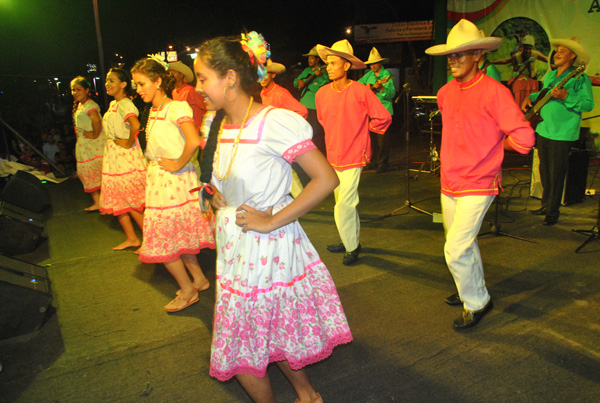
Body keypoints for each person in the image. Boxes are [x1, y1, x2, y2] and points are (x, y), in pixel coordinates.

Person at [194, 31, 352, 403]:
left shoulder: (273, 122)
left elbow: (326, 178)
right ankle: (308, 396)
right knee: (270, 331)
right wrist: (218, 199)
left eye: (203, 78)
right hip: (236, 246)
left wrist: (271, 219)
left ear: (230, 77)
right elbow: (227, 179)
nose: (197, 86)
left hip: (268, 245)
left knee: (241, 349)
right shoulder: (214, 124)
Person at [426, 19, 535, 329]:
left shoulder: (495, 92)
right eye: (450, 55)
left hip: (480, 181)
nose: (453, 61)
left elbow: (525, 138)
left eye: (460, 54)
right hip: (450, 181)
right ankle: (469, 288)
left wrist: (499, 144)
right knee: (464, 243)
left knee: (456, 247)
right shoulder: (445, 92)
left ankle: (478, 302)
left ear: (478, 56)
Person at [131, 56, 215, 312]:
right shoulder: (154, 111)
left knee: (162, 241)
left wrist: (178, 164)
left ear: (158, 81)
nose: (139, 89)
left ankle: (188, 291)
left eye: (142, 83)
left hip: (172, 181)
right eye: (136, 84)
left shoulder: (176, 108)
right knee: (178, 236)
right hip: (163, 180)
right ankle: (198, 279)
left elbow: (194, 140)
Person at [315, 39, 392, 265]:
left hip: (354, 156)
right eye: (327, 63)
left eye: (333, 63)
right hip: (333, 155)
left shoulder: (360, 91)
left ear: (346, 65)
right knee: (343, 202)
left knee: (344, 204)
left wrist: (363, 134)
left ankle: (351, 247)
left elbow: (383, 117)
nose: (328, 67)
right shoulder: (321, 93)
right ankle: (350, 240)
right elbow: (323, 120)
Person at [523, 37, 594, 226]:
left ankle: (553, 211)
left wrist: (566, 96)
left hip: (562, 132)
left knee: (556, 172)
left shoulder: (580, 77)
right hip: (544, 128)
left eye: (563, 50)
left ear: (572, 56)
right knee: (544, 170)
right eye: (557, 50)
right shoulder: (550, 75)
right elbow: (543, 94)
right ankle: (546, 204)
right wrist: (529, 98)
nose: (558, 53)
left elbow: (588, 104)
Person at [99, 68, 147, 251]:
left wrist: (127, 143)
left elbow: (136, 126)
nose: (107, 84)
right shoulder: (114, 104)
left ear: (124, 84)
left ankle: (149, 240)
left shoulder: (126, 104)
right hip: (114, 157)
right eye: (107, 81)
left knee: (130, 199)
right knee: (120, 200)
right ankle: (132, 238)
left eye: (112, 80)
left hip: (125, 158)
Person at [260, 58, 308, 198]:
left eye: (266, 75)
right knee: (276, 168)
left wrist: (287, 128)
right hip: (270, 137)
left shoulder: (280, 93)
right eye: (260, 75)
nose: (262, 78)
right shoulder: (263, 92)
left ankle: (301, 199)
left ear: (273, 75)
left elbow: (302, 111)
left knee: (285, 169)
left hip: (279, 138)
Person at [358, 47, 395, 173]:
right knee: (371, 139)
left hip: (384, 111)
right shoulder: (368, 75)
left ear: (380, 63)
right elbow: (357, 86)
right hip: (370, 111)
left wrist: (381, 88)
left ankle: (382, 164)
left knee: (382, 140)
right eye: (371, 64)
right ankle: (373, 161)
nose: (373, 66)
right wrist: (366, 88)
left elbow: (391, 94)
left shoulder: (387, 76)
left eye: (375, 63)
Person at [71, 76, 106, 211]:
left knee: (97, 171)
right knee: (88, 173)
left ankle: (105, 202)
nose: (75, 92)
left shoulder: (90, 105)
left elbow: (96, 120)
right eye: (73, 90)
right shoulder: (81, 105)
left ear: (87, 90)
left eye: (78, 89)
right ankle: (98, 202)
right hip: (84, 144)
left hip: (92, 144)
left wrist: (95, 134)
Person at [492, 34, 548, 107]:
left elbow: (547, 59)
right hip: (522, 80)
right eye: (526, 48)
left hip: (533, 81)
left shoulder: (535, 54)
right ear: (522, 47)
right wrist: (493, 62)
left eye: (529, 49)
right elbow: (506, 61)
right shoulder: (517, 56)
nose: (528, 51)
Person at [293, 46, 329, 156]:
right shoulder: (306, 71)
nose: (309, 60)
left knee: (317, 132)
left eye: (312, 58)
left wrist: (321, 76)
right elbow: (295, 82)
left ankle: (319, 155)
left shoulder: (323, 70)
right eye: (308, 58)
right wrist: (299, 81)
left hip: (316, 106)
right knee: (304, 131)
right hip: (304, 105)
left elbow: (327, 82)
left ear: (318, 59)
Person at [168, 61, 207, 128]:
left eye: (174, 72)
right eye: (169, 73)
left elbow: (205, 107)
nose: (171, 75)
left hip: (195, 129)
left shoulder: (190, 91)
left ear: (181, 75)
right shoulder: (174, 92)